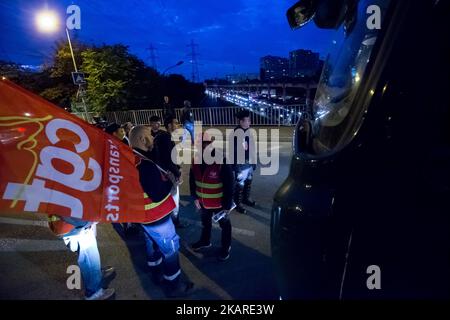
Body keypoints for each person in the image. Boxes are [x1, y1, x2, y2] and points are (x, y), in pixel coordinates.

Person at [130, 125, 194, 297]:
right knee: (170, 248)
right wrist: (171, 182)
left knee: (152, 246)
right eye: (150, 135)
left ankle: (156, 273)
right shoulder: (145, 164)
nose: (153, 138)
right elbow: (157, 194)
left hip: (144, 217)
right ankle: (175, 285)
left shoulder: (132, 159)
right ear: (142, 139)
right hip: (156, 217)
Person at [190, 133, 235, 261]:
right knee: (205, 223)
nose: (203, 147)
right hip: (203, 202)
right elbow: (192, 180)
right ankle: (205, 241)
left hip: (219, 203)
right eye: (199, 144)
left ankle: (226, 247)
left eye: (206, 143)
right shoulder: (196, 159)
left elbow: (229, 184)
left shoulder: (221, 159)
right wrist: (194, 197)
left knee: (225, 226)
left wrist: (227, 205)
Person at [48, 215, 116, 300]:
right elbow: (73, 213)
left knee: (89, 258)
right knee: (90, 261)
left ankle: (96, 275)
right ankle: (93, 292)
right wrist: (90, 220)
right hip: (77, 228)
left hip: (73, 226)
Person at [154, 115, 187, 228]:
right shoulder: (167, 138)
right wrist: (178, 174)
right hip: (169, 173)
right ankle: (175, 221)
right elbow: (168, 159)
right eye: (176, 123)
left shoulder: (162, 136)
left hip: (163, 172)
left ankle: (169, 220)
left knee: (167, 198)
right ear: (169, 125)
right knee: (174, 198)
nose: (178, 125)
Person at [232, 110, 257, 214]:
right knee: (239, 185)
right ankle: (238, 204)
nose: (249, 122)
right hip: (241, 165)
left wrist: (254, 162)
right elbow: (235, 153)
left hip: (249, 163)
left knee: (248, 182)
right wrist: (237, 169)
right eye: (247, 120)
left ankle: (246, 199)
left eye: (249, 120)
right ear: (241, 122)